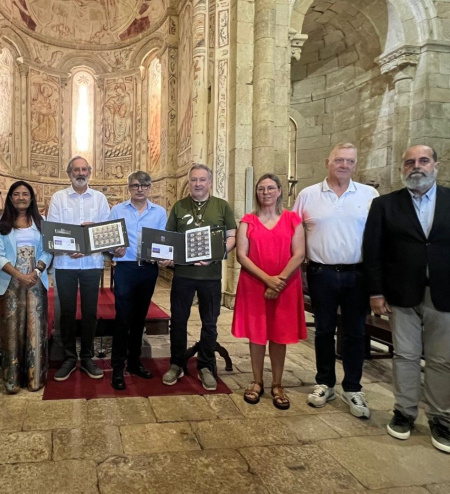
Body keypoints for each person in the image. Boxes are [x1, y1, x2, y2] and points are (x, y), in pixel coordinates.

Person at [363, 144, 450, 454]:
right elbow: (373, 253)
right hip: (401, 294)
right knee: (405, 356)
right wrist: (376, 292)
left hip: (449, 293)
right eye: (410, 162)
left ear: (437, 165)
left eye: (423, 161)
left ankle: (440, 418)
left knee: (440, 360)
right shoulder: (385, 205)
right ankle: (405, 412)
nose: (416, 167)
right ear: (402, 168)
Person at [292, 143, 379, 418]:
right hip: (321, 272)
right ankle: (325, 382)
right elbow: (293, 232)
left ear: (355, 164)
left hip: (358, 273)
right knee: (324, 330)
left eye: (350, 161)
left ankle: (353, 387)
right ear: (327, 161)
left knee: (355, 332)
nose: (344, 165)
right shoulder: (308, 195)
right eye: (339, 160)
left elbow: (379, 238)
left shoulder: (369, 195)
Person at [232, 174, 306, 408]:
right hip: (254, 284)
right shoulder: (248, 221)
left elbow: (299, 254)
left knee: (278, 333)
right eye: (261, 188)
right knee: (257, 334)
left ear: (279, 191)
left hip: (285, 285)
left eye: (270, 188)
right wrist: (267, 280)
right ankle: (256, 381)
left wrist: (279, 281)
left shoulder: (293, 219)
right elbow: (242, 255)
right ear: (256, 193)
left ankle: (277, 383)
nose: (266, 192)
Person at [162, 164, 237, 391]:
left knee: (210, 323)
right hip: (184, 275)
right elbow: (170, 238)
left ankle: (205, 366)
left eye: (202, 180)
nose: (198, 184)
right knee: (178, 321)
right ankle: (176, 363)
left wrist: (217, 255)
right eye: (194, 180)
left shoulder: (221, 206)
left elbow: (231, 236)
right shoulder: (179, 206)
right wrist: (166, 257)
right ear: (189, 182)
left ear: (210, 182)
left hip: (210, 276)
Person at [47, 156, 111, 381]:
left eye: (84, 169)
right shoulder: (58, 198)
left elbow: (106, 231)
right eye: (76, 169)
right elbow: (54, 230)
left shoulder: (100, 199)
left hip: (91, 264)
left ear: (90, 172)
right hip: (65, 264)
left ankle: (87, 357)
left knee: (90, 313)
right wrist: (73, 246)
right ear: (69, 173)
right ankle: (68, 357)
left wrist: (89, 240)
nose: (81, 173)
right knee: (66, 313)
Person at [107, 171, 168, 390]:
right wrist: (114, 248)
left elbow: (163, 240)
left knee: (140, 318)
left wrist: (163, 256)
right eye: (135, 185)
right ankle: (117, 367)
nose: (140, 189)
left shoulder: (159, 212)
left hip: (148, 269)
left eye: (144, 185)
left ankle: (134, 362)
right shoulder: (117, 210)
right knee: (123, 318)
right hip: (125, 268)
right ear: (129, 188)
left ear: (150, 187)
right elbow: (107, 239)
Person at [0, 181, 53, 393]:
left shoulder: (42, 221)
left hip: (36, 281)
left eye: (25, 194)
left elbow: (48, 250)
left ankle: (34, 377)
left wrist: (36, 272)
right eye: (16, 194)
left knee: (35, 328)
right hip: (10, 281)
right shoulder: (1, 222)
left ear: (31, 198)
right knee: (12, 328)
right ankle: (12, 379)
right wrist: (19, 275)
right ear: (10, 198)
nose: (21, 197)